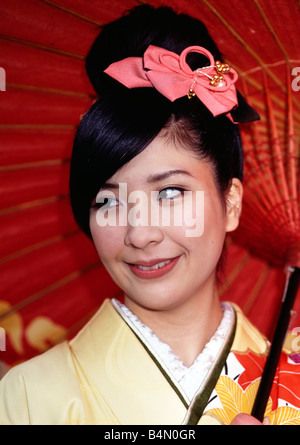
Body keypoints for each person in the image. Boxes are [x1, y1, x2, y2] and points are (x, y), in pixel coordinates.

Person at [1, 5, 300, 425]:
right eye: (107, 201)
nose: (139, 234)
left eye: (171, 191)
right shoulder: (30, 396)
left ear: (230, 202)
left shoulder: (293, 392)